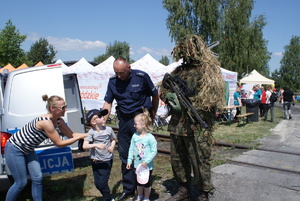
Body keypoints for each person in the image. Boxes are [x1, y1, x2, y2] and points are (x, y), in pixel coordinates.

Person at [160, 35, 225, 201]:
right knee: (178, 159)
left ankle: (203, 193)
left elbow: (212, 97)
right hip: (177, 125)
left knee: (199, 159)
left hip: (197, 124)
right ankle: (184, 189)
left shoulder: (208, 70)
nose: (185, 53)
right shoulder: (178, 71)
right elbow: (163, 89)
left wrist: (190, 103)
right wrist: (169, 97)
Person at [4, 95, 89, 201]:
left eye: (65, 106)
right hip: (15, 149)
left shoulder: (59, 121)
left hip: (28, 149)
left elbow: (72, 135)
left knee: (37, 178)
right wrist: (81, 136)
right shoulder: (46, 122)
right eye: (62, 108)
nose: (65, 110)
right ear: (52, 109)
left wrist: (87, 135)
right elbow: (60, 143)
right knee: (21, 182)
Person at [102, 57, 159, 200]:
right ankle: (128, 189)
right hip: (125, 121)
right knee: (125, 154)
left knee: (142, 155)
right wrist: (103, 119)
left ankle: (143, 189)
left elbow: (155, 95)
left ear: (129, 67)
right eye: (116, 72)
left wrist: (152, 114)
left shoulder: (141, 77)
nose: (119, 76)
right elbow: (108, 103)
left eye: (121, 72)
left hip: (140, 120)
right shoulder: (113, 82)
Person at [83, 108, 117, 201]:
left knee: (102, 183)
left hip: (107, 160)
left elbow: (113, 139)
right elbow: (85, 145)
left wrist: (112, 147)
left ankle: (109, 198)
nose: (103, 117)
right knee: (97, 184)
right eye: (100, 116)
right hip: (95, 160)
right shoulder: (91, 132)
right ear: (93, 121)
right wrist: (96, 145)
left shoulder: (109, 129)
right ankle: (107, 197)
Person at [126, 110, 157, 201]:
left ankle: (146, 197)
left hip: (147, 166)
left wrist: (146, 161)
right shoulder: (135, 136)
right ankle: (140, 195)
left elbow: (154, 151)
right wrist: (129, 160)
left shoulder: (150, 138)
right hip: (137, 165)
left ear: (143, 125)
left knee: (146, 183)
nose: (134, 126)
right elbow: (131, 149)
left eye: (136, 124)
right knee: (139, 182)